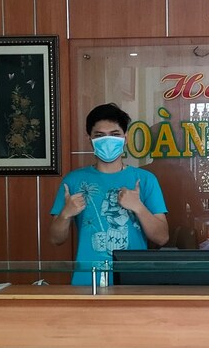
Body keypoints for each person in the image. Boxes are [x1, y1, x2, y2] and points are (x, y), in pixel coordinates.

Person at [49, 103, 168, 284]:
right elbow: (55, 239)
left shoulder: (145, 180)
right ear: (89, 139)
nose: (107, 140)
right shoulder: (73, 181)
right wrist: (65, 214)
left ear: (125, 138)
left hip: (133, 282)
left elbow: (162, 237)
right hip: (87, 282)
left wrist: (138, 207)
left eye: (114, 134)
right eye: (99, 135)